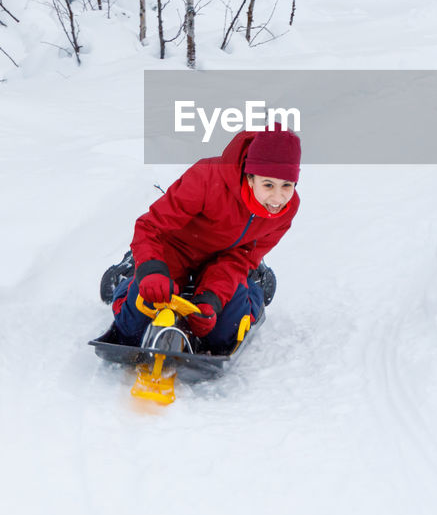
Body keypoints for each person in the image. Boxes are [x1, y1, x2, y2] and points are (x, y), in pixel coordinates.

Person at [100, 126, 300, 354]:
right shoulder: (207, 177)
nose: (277, 198)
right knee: (132, 327)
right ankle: (128, 273)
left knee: (221, 335)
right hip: (177, 247)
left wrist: (212, 298)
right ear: (250, 176)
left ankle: (253, 284)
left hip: (223, 258)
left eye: (287, 185)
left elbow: (242, 256)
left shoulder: (287, 209)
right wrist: (151, 269)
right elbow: (151, 226)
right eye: (268, 185)